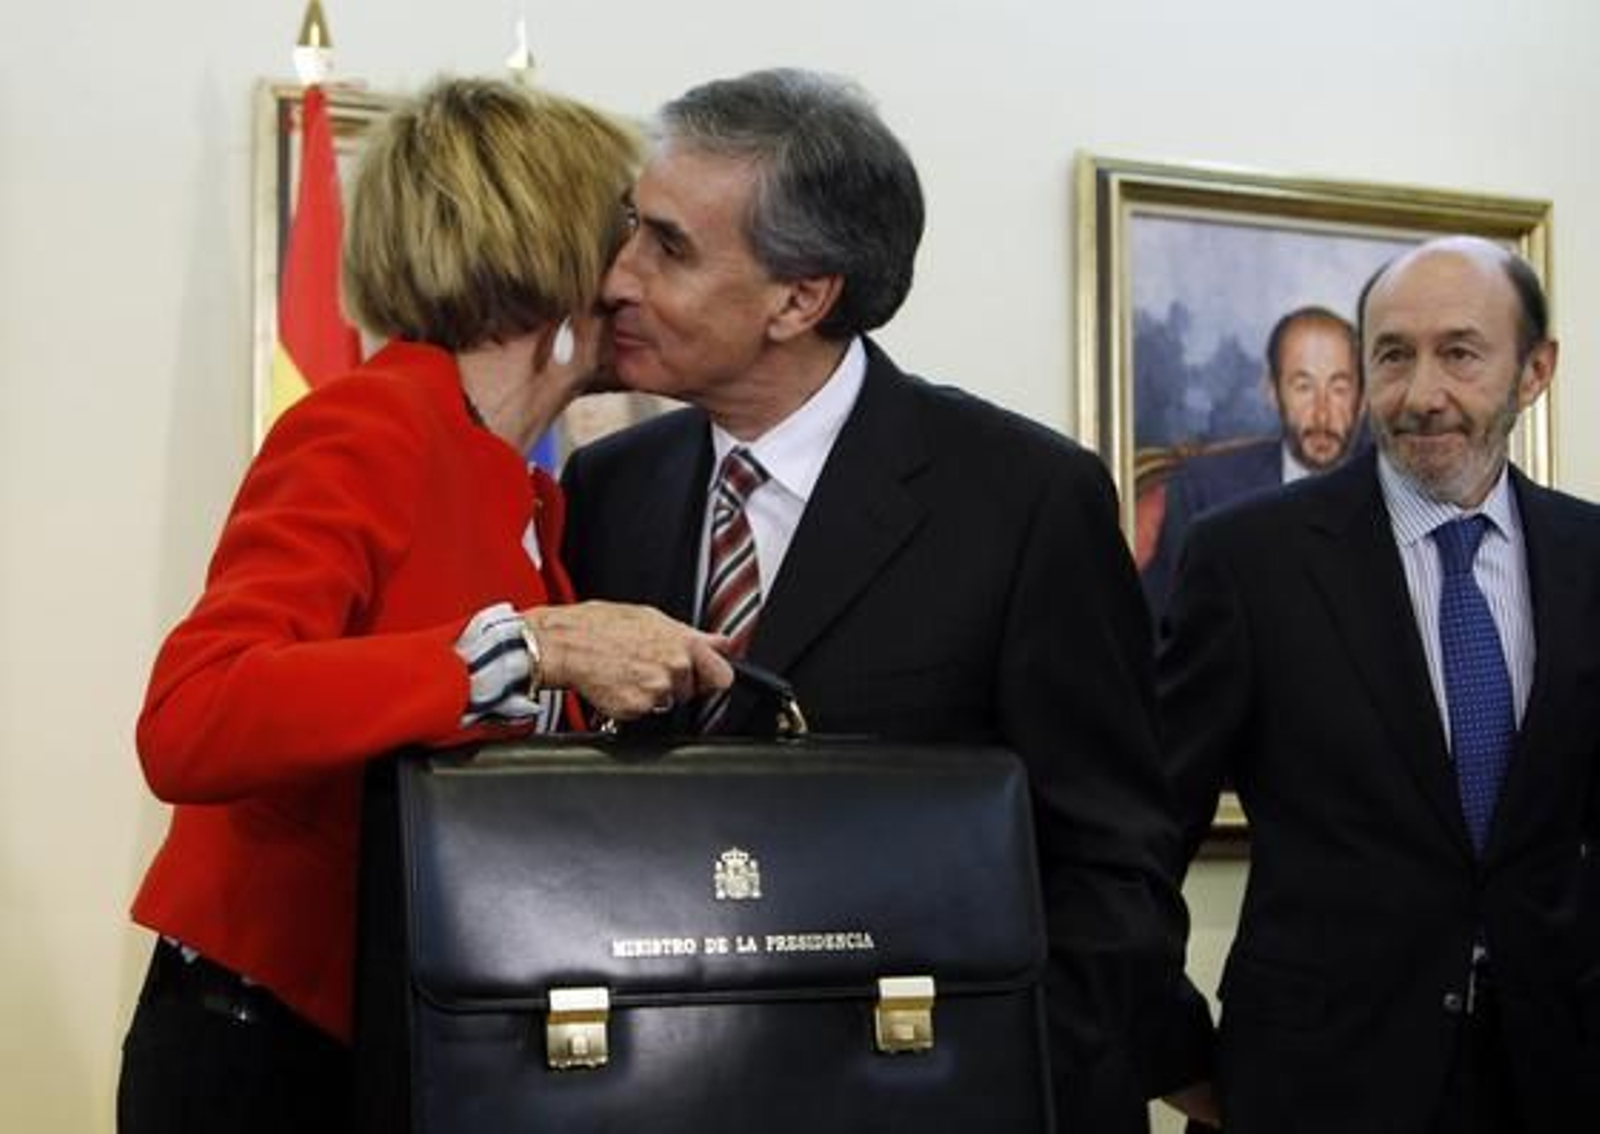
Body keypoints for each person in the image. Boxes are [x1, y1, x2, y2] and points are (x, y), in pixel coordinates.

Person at [559, 67, 1189, 1131]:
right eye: (631, 229)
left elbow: (1111, 869)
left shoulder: (1024, 499)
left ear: (800, 298)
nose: (616, 277)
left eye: (667, 247)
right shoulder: (607, 488)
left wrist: (1007, 1078)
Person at [118, 77, 732, 1133]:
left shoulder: (529, 488)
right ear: (548, 252)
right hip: (267, 1056)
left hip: (407, 1044)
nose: (640, 277)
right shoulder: (365, 427)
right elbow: (194, 718)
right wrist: (520, 650)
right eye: (630, 236)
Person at [1156, 235, 1600, 1131]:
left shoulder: (1590, 559)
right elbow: (1137, 831)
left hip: (1557, 1078)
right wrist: (1169, 1045)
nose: (1422, 394)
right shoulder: (1249, 561)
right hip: (1309, 1087)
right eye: (1393, 356)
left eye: (1461, 354)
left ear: (1535, 370)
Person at [1142, 306, 1363, 621]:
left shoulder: (1399, 496)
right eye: (1303, 387)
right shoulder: (1203, 493)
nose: (1322, 414)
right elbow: (1160, 628)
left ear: (1363, 398)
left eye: (1339, 389)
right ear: (1272, 391)